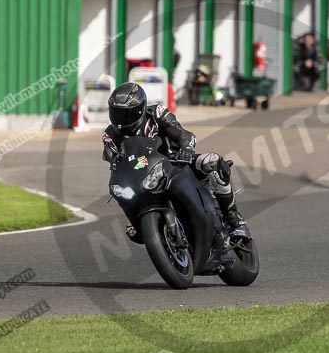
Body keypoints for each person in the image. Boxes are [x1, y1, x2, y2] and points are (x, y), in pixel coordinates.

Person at [102, 82, 248, 238]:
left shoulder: (157, 113)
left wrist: (186, 150)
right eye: (116, 113)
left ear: (139, 110)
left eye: (126, 114)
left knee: (212, 161)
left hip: (178, 163)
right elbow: (114, 161)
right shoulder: (110, 135)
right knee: (122, 191)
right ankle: (140, 222)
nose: (120, 120)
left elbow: (185, 135)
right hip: (145, 176)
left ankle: (233, 218)